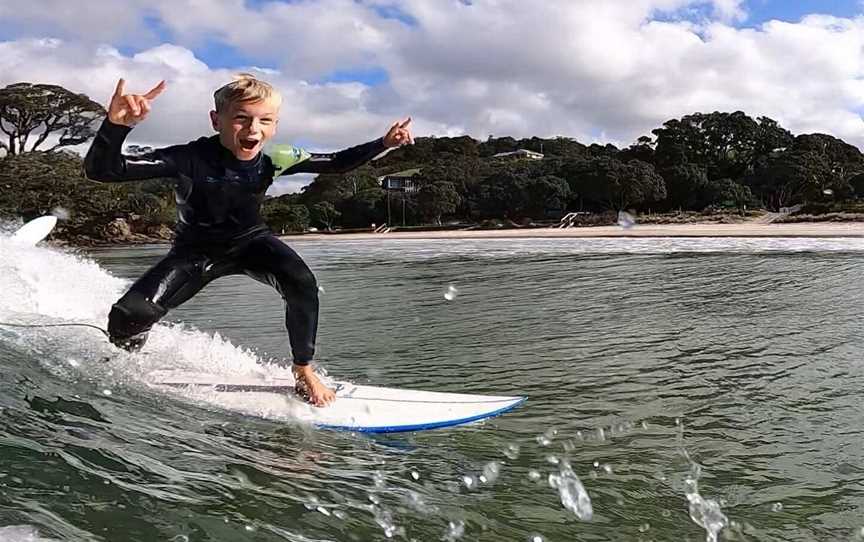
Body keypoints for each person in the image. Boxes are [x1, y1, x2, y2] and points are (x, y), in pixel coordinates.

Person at [84, 74, 413, 407]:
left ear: (274, 125)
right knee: (128, 315)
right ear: (217, 120)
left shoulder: (276, 158)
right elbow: (105, 171)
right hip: (195, 251)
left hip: (251, 243)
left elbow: (337, 163)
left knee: (301, 282)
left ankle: (303, 370)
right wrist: (115, 126)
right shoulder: (190, 157)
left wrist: (383, 144)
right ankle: (126, 361)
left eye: (264, 121)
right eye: (241, 118)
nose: (253, 129)